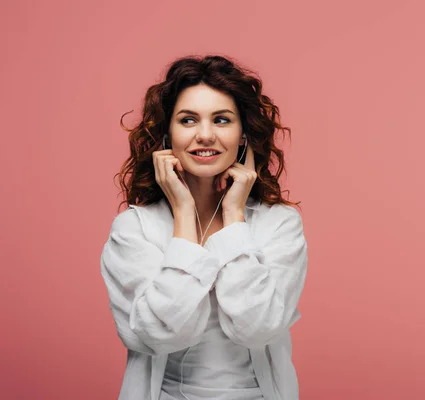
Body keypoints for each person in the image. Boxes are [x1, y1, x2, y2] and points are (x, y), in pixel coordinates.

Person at [100, 55, 308, 400]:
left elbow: (259, 329)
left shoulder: (279, 224)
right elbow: (158, 335)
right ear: (167, 135)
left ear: (243, 135)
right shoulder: (133, 229)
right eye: (188, 120)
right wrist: (183, 216)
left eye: (222, 120)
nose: (206, 135)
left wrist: (234, 220)